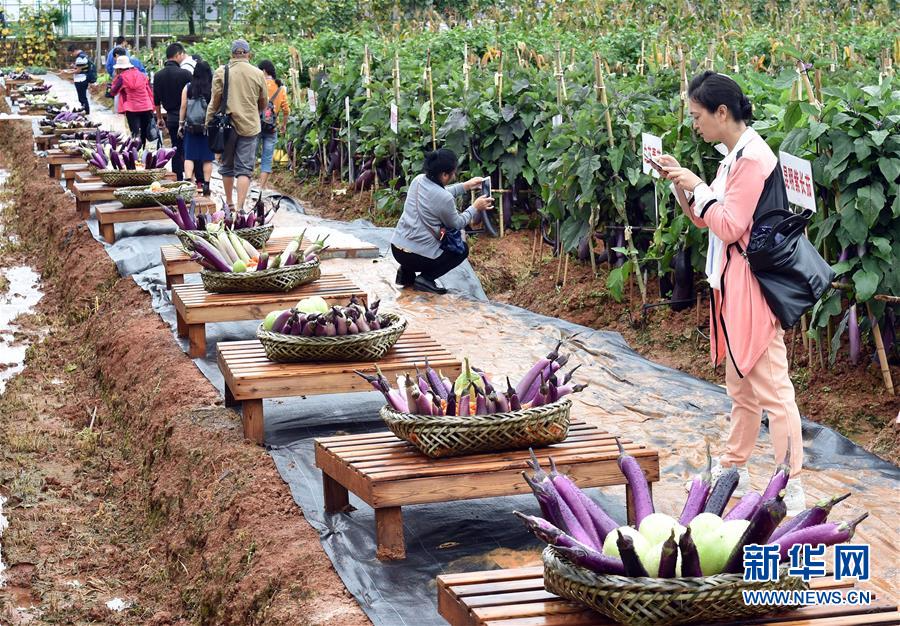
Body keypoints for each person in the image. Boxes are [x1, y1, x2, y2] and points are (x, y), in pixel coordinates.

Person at [659, 71, 805, 514]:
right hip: (730, 283)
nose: (694, 124)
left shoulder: (753, 159)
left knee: (774, 389)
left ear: (722, 112)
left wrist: (698, 187)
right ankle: (731, 468)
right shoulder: (731, 158)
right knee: (741, 387)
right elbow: (707, 220)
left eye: (697, 116)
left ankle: (790, 486)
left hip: (750, 287)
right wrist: (681, 185)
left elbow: (730, 225)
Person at [390, 148, 492, 294]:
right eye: (453, 173)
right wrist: (475, 207)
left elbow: (438, 195)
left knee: (418, 242)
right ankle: (426, 279)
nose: (454, 175)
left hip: (397, 249)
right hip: (415, 257)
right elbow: (457, 223)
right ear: (444, 175)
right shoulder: (444, 198)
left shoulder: (418, 180)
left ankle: (405, 273)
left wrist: (466, 186)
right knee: (461, 250)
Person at [206, 39, 267, 211]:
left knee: (227, 166)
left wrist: (208, 120)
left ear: (232, 54)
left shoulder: (221, 72)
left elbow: (215, 100)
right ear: (248, 53)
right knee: (244, 169)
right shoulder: (257, 73)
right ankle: (240, 208)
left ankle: (229, 203)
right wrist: (254, 112)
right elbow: (263, 102)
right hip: (250, 126)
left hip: (227, 127)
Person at [154, 43, 192, 181]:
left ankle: (178, 178)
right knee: (188, 148)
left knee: (175, 148)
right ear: (177, 55)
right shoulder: (186, 74)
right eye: (182, 54)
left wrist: (159, 118)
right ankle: (191, 178)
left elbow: (156, 100)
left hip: (171, 118)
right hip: (187, 118)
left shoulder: (158, 76)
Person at [178, 60, 215, 195]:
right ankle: (206, 185)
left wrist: (181, 124)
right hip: (207, 128)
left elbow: (183, 106)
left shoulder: (188, 87)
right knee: (207, 157)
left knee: (190, 156)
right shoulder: (212, 88)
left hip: (190, 127)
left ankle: (188, 183)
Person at [256, 59, 289, 191]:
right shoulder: (280, 88)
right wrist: (284, 125)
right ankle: (262, 187)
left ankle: (245, 185)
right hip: (271, 127)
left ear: (263, 71)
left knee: (250, 155)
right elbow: (286, 110)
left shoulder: (258, 84)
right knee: (267, 158)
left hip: (256, 125)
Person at [110, 56, 155, 146]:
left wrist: (114, 80)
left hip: (132, 108)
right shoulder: (142, 75)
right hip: (146, 106)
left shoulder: (122, 78)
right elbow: (149, 90)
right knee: (144, 132)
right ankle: (143, 152)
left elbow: (113, 92)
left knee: (135, 133)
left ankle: (135, 153)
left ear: (119, 68)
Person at [67, 44, 96, 114]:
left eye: (71, 53)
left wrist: (67, 73)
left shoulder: (80, 58)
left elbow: (78, 70)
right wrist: (74, 67)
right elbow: (82, 67)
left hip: (81, 79)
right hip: (82, 78)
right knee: (82, 96)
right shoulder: (83, 55)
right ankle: (84, 109)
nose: (71, 55)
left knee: (82, 97)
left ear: (74, 51)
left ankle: (86, 110)